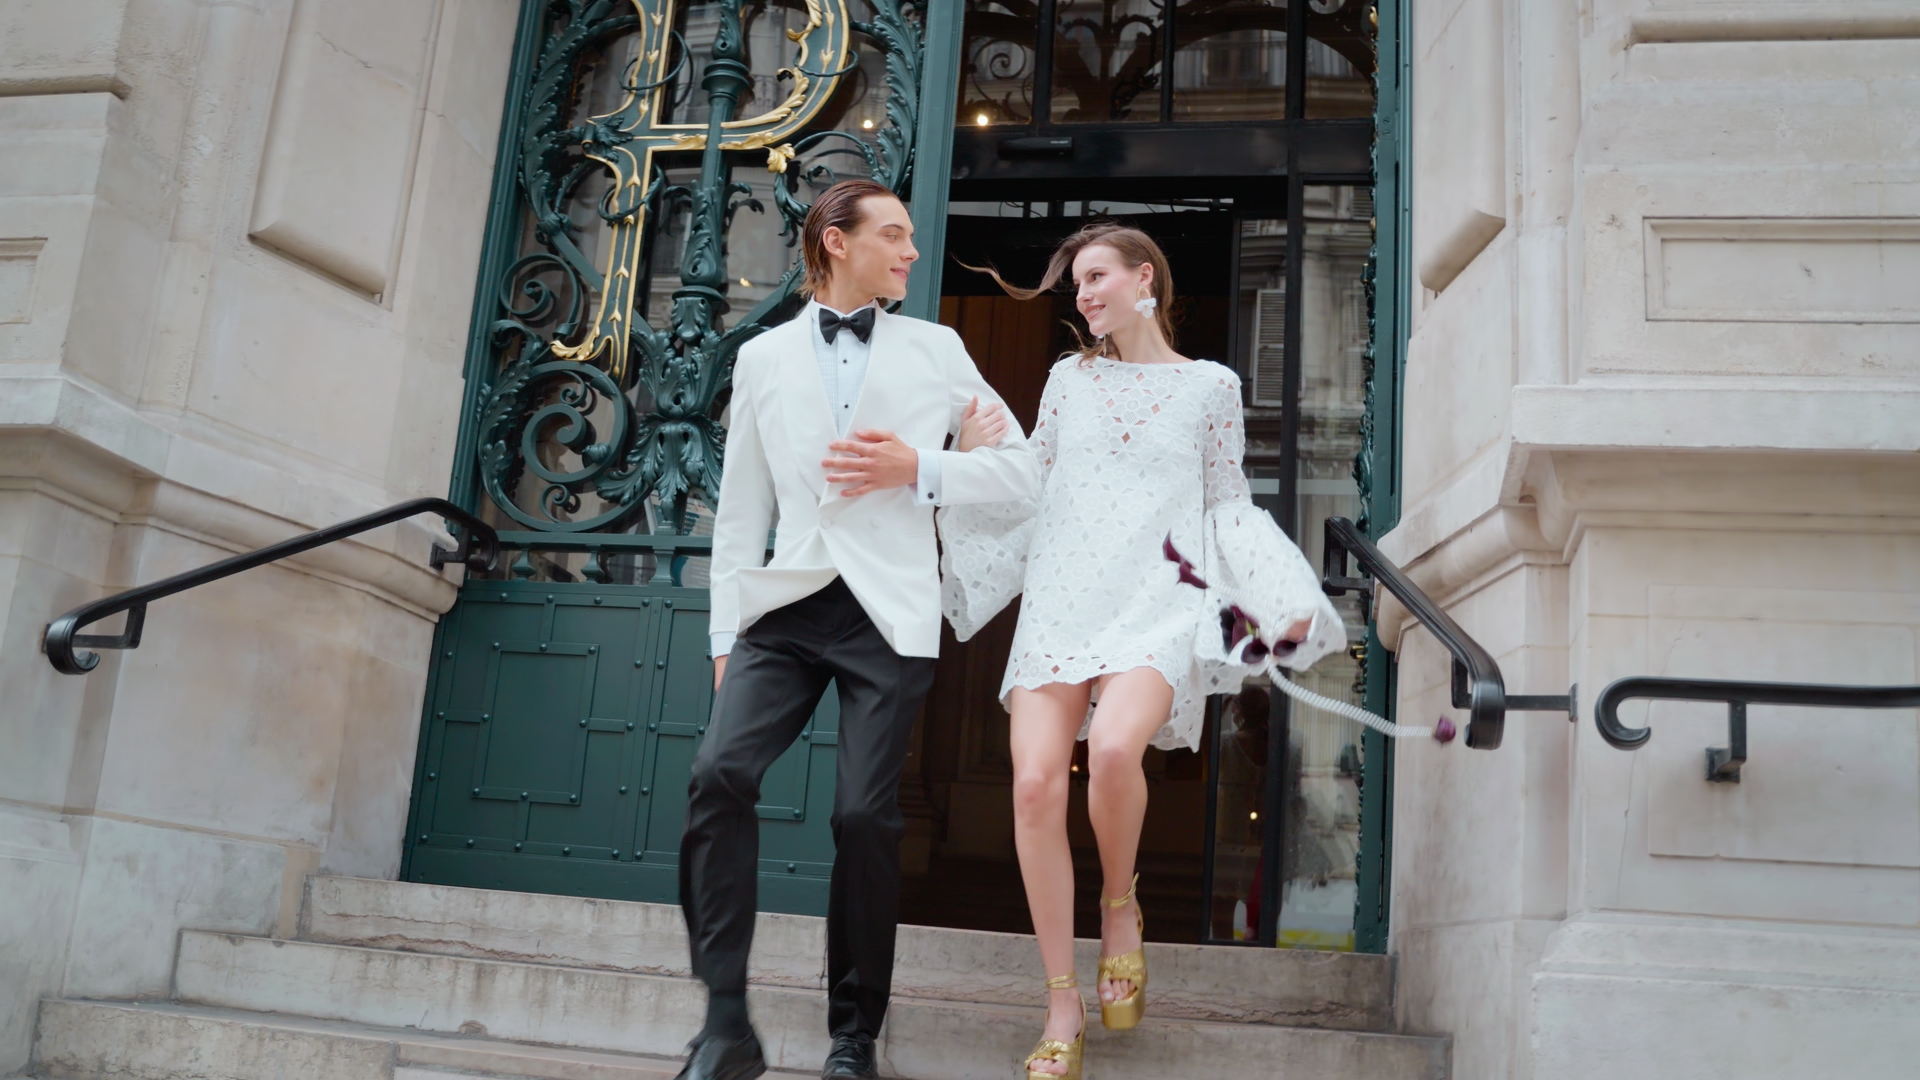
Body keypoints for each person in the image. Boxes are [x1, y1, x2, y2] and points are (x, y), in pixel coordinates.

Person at [938, 223, 1345, 1079]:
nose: (1082, 295)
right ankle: (1060, 1000)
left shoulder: (1211, 387)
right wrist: (973, 453)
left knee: (1117, 749)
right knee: (1035, 785)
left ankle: (1119, 907)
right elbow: (1032, 478)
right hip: (1064, 597)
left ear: (1144, 280)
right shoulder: (1067, 378)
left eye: (1094, 277)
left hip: (1158, 599)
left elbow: (1229, 506)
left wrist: (1284, 599)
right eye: (1076, 284)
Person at [677, 179, 1037, 1080]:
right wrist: (726, 639)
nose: (913, 252)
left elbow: (1022, 474)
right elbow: (738, 514)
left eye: (911, 238)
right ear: (836, 242)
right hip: (786, 606)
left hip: (889, 610)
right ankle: (724, 1025)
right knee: (720, 773)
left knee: (864, 817)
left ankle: (853, 1039)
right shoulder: (760, 359)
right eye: (894, 236)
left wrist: (921, 467)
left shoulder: (939, 349)